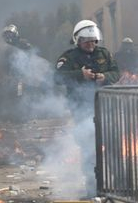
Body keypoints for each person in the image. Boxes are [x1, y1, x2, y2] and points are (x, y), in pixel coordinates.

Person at [54, 20, 119, 198]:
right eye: (87, 41)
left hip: (106, 107)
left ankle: (121, 188)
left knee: (114, 146)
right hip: (82, 109)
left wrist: (104, 76)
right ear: (78, 40)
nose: (91, 44)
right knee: (89, 149)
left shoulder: (104, 54)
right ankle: (94, 189)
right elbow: (57, 77)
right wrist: (80, 75)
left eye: (94, 40)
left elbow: (116, 72)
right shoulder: (69, 57)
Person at [0, 24, 33, 123]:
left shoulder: (23, 44)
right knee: (11, 95)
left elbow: (29, 56)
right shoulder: (5, 48)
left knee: (21, 95)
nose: (8, 37)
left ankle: (23, 117)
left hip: (21, 75)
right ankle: (12, 116)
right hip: (9, 75)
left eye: (10, 34)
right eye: (6, 35)